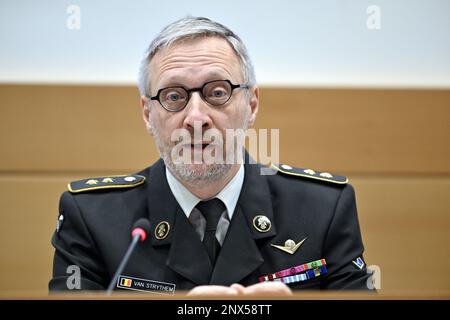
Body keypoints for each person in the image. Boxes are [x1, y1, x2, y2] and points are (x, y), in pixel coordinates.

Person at [49, 16, 373, 295]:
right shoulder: (91, 217)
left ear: (252, 105)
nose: (196, 117)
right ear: (148, 113)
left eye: (217, 93)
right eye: (174, 96)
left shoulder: (324, 208)